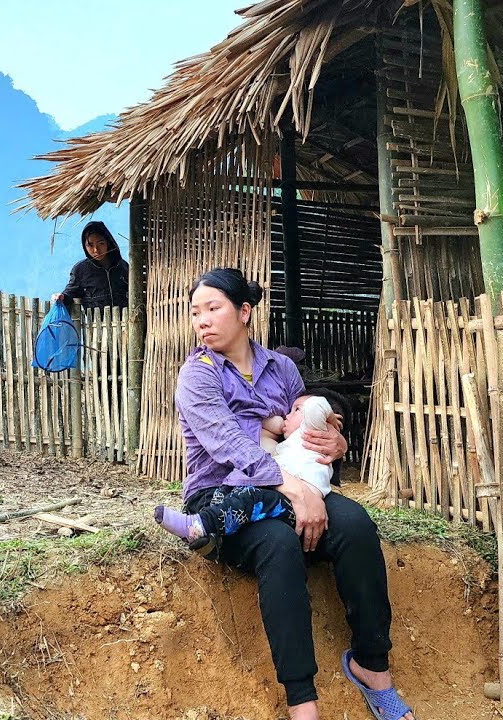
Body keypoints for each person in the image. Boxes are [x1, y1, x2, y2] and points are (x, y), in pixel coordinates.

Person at [172, 267, 414, 720]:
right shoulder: (197, 376)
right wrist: (296, 490)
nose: (201, 320)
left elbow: (303, 430)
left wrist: (335, 446)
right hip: (223, 498)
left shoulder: (281, 369)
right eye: (195, 312)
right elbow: (227, 442)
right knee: (278, 544)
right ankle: (302, 701)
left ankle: (372, 668)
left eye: (213, 308)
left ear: (244, 312)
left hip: (289, 483)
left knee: (357, 526)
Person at [153, 393, 334, 543]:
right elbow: (261, 442)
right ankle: (214, 528)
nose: (288, 414)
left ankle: (199, 526)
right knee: (243, 488)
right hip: (288, 494)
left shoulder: (311, 431)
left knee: (250, 498)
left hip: (300, 504)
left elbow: (317, 405)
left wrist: (329, 417)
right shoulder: (288, 445)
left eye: (296, 410)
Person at [51, 220, 129, 309]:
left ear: (108, 243)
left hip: (126, 321)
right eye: (90, 245)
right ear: (84, 246)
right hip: (97, 322)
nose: (96, 250)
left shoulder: (122, 266)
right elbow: (71, 293)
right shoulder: (80, 270)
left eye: (101, 243)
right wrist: (62, 297)